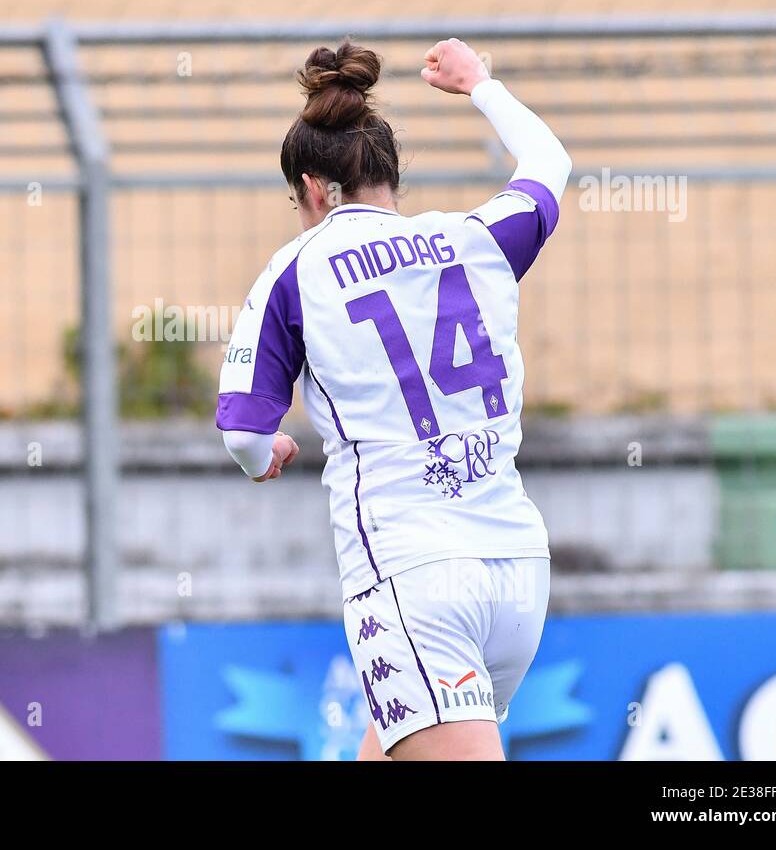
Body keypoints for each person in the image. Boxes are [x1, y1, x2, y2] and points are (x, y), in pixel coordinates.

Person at [215, 38, 570, 760]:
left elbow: (244, 433)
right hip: (517, 571)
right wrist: (482, 86)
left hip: (413, 577)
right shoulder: (475, 238)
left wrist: (268, 455)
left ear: (313, 188)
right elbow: (550, 166)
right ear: (390, 177)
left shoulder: (296, 271)